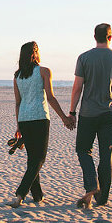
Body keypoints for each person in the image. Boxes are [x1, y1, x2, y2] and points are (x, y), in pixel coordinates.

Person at [69, 23, 112, 208]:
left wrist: (72, 112)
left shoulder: (84, 58)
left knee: (83, 150)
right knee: (106, 155)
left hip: (88, 113)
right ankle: (102, 199)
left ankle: (92, 185)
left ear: (95, 37)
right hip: (111, 114)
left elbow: (77, 88)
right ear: (110, 37)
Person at [10, 41, 73, 208]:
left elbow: (18, 102)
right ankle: (21, 193)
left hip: (24, 119)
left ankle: (37, 196)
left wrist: (18, 125)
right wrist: (64, 118)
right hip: (39, 118)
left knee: (32, 159)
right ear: (35, 53)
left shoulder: (17, 76)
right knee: (40, 159)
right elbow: (50, 97)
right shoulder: (44, 71)